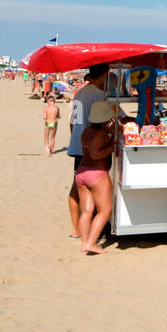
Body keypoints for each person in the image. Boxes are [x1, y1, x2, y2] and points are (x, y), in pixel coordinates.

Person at [67, 64, 109, 239]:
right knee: (94, 190)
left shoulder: (80, 93)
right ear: (106, 74)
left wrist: (78, 139)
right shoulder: (99, 95)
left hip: (78, 145)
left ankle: (76, 230)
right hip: (92, 147)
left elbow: (71, 122)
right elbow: (109, 118)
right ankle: (94, 230)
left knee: (76, 188)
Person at [74, 101, 117, 254]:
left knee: (86, 211)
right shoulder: (101, 135)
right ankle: (92, 243)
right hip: (96, 173)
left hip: (82, 172)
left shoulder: (87, 131)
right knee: (105, 210)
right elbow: (95, 154)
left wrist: (109, 133)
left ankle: (85, 243)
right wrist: (113, 145)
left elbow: (87, 150)